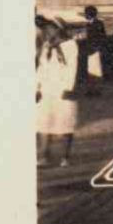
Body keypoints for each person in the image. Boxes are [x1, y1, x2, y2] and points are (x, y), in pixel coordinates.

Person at [36, 19, 80, 168]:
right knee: (43, 123)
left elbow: (73, 67)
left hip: (63, 89)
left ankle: (65, 157)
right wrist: (37, 87)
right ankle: (43, 156)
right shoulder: (46, 46)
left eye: (49, 29)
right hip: (47, 90)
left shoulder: (70, 45)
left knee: (65, 123)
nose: (46, 32)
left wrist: (69, 87)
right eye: (44, 30)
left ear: (58, 29)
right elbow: (41, 68)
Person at [79, 6, 107, 96]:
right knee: (92, 70)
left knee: (95, 70)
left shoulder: (96, 24)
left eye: (86, 13)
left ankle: (95, 90)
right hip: (92, 50)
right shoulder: (95, 24)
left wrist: (97, 48)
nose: (85, 15)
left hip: (94, 50)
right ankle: (93, 90)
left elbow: (101, 37)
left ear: (89, 14)